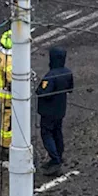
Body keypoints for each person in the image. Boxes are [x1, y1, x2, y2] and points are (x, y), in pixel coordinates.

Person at [36, 46, 73, 176]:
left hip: (48, 112)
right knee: (58, 132)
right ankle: (59, 154)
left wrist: (39, 88)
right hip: (60, 110)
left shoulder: (50, 76)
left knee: (47, 134)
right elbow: (70, 89)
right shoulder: (67, 72)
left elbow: (43, 93)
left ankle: (55, 159)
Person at [0, 31, 13, 159]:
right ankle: (5, 146)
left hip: (0, 92)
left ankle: (5, 145)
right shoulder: (9, 61)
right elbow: (12, 80)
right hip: (8, 96)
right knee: (8, 121)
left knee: (5, 118)